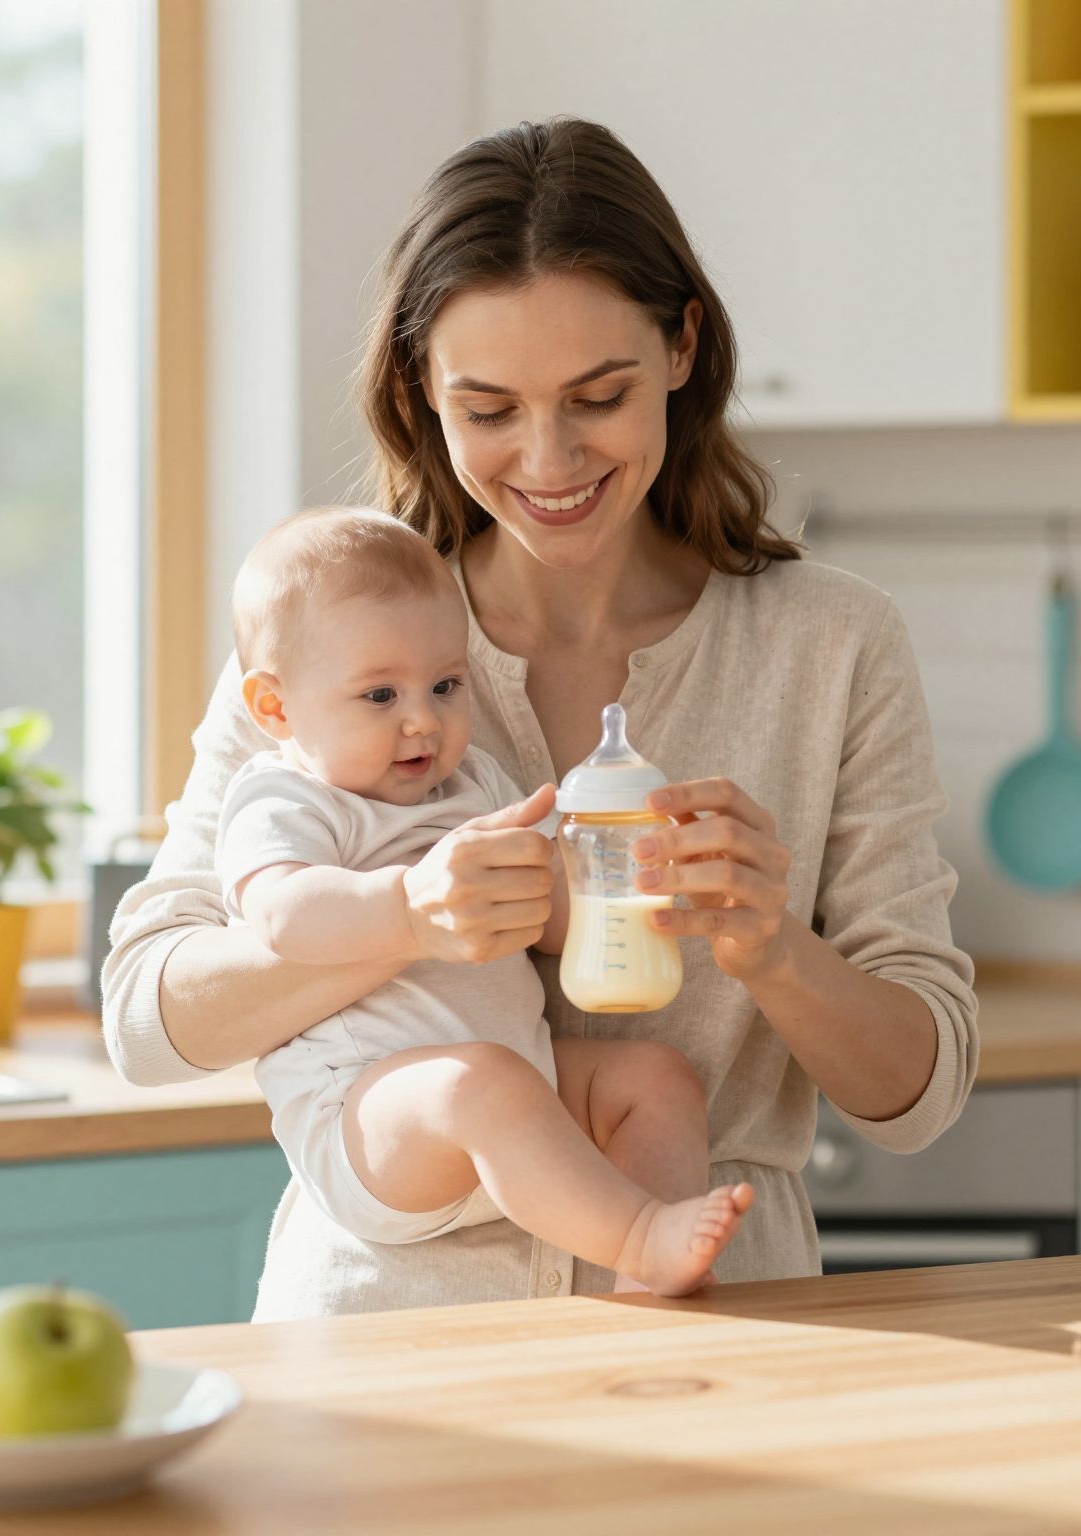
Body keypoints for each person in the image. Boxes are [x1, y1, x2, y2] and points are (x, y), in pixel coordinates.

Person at [101, 117, 978, 1319]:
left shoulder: (829, 644)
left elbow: (918, 1092)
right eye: (490, 408)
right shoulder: (333, 647)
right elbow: (149, 1020)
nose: (548, 457)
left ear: (680, 347)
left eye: (596, 396)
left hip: (718, 1326)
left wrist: (774, 949)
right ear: (420, 390)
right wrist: (404, 920)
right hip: (386, 1332)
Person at [218, 506, 750, 1296]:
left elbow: (548, 917)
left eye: (444, 684)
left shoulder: (471, 786)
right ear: (275, 708)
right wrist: (406, 909)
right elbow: (282, 916)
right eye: (379, 696)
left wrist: (622, 876)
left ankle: (652, 1284)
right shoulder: (286, 799)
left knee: (655, 1078)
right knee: (482, 1084)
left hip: (516, 1089)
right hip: (369, 1117)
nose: (422, 720)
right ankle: (640, 1237)